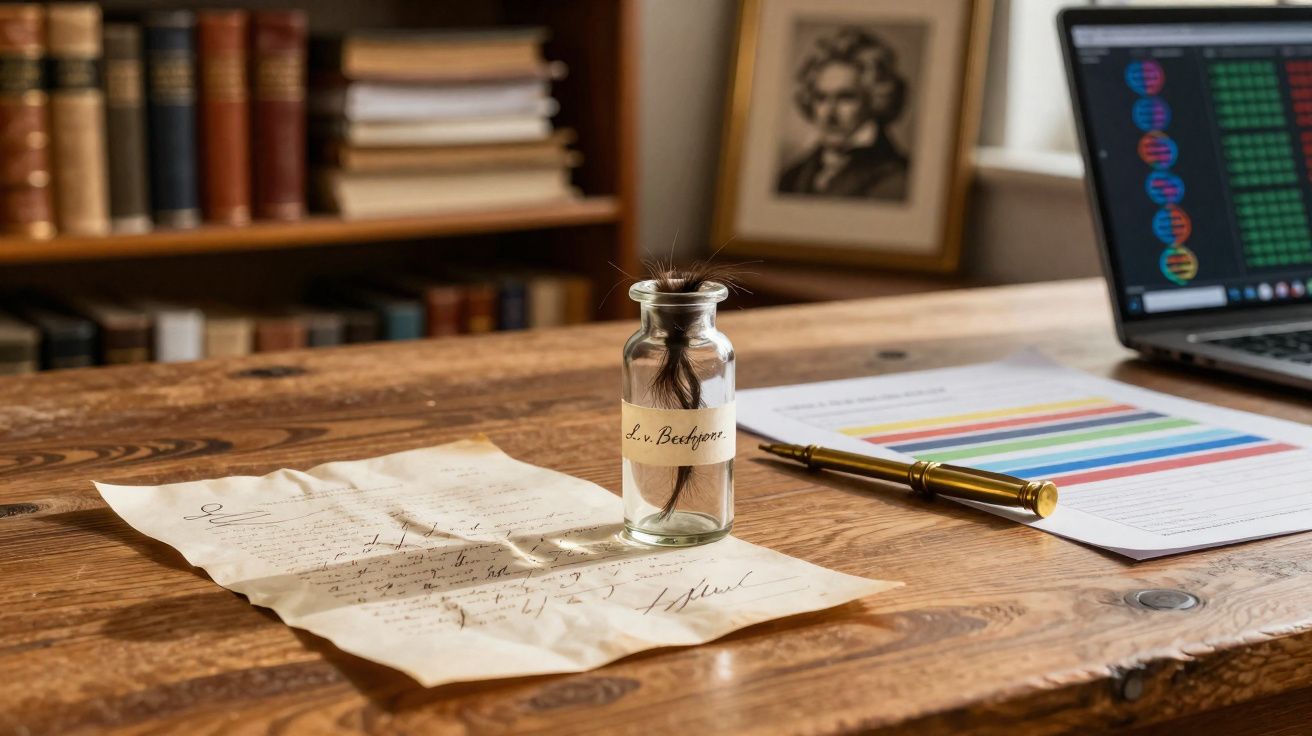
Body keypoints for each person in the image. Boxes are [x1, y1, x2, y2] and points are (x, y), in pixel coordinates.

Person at [777, 28, 910, 200]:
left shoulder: (898, 177)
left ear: (875, 100)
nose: (829, 113)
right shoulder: (792, 176)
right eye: (821, 98)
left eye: (845, 98)